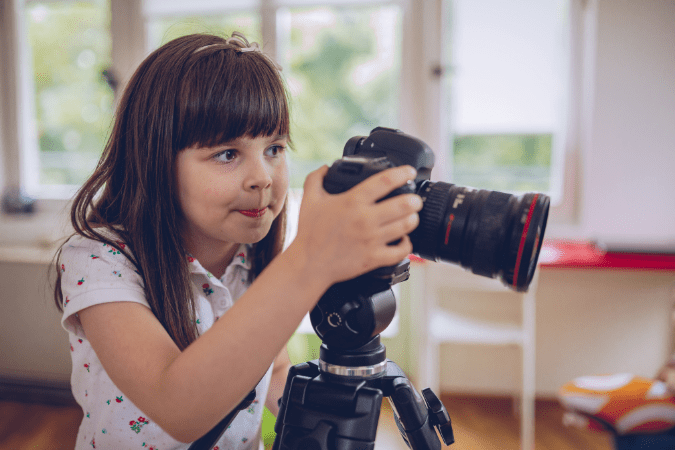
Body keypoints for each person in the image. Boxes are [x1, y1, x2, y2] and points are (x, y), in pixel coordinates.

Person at [53, 32, 423, 449]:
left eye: (275, 148)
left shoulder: (251, 255)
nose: (263, 177)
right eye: (228, 153)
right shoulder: (99, 260)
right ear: (154, 158)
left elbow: (276, 368)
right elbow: (176, 407)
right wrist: (311, 259)